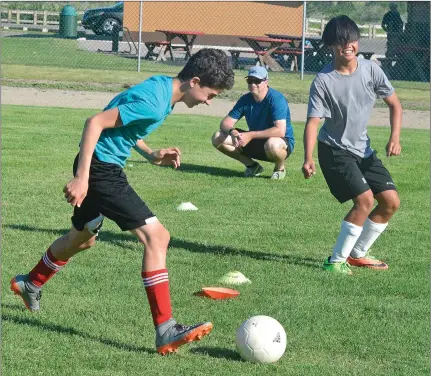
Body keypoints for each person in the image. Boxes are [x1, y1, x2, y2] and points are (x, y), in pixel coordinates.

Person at [10, 48, 235, 354]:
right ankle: (166, 329)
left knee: (83, 239)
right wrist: (84, 178)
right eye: (210, 94)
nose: (209, 101)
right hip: (101, 170)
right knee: (158, 237)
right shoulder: (156, 102)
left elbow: (126, 125)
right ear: (194, 81)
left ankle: (31, 283)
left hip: (99, 166)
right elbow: (95, 123)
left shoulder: (162, 88)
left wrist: (150, 153)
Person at [302, 15, 402, 275]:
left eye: (352, 40)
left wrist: (394, 137)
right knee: (365, 201)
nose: (347, 45)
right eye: (340, 41)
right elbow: (313, 122)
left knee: (390, 202)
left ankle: (358, 254)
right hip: (334, 149)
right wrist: (308, 157)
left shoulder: (371, 70)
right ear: (331, 45)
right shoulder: (324, 80)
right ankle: (335, 261)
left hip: (363, 150)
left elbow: (395, 105)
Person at [211, 66, 295, 180]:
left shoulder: (276, 99)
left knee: (272, 144)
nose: (252, 84)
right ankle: (252, 166)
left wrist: (250, 135)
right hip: (255, 140)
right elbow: (225, 123)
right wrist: (233, 132)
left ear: (266, 82)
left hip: (279, 142)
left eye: (257, 81)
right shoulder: (245, 99)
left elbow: (280, 131)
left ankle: (279, 168)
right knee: (218, 137)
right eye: (249, 81)